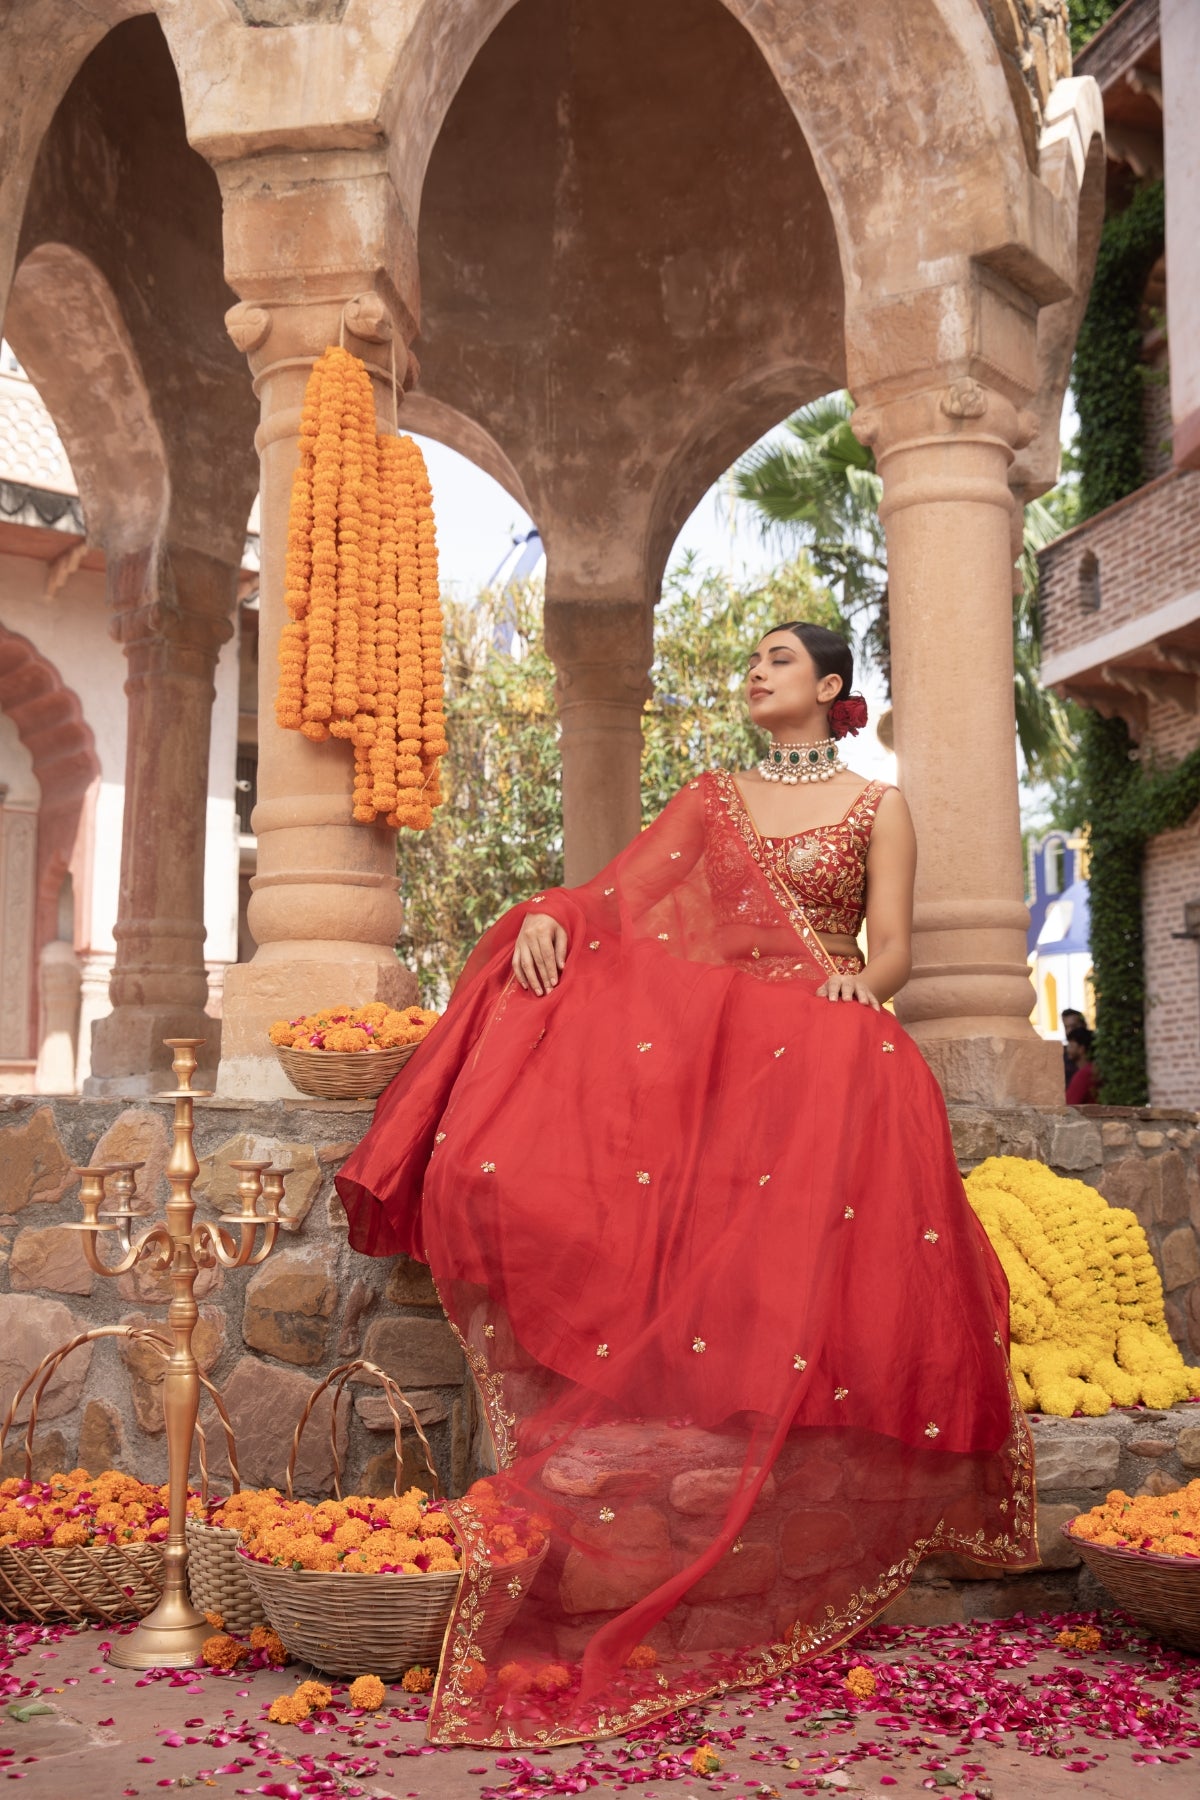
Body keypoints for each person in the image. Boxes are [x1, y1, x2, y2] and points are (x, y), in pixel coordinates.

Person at [336, 622, 1034, 1748]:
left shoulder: (877, 805)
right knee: (576, 993)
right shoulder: (713, 797)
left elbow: (892, 946)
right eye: (750, 660)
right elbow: (621, 901)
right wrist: (554, 919)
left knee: (867, 1056)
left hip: (819, 1014)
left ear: (832, 686)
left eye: (778, 661)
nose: (754, 673)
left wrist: (858, 991)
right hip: (725, 1033)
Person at [1065, 1025, 1100, 1105]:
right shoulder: (1094, 1069)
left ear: (1081, 1049)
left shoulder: (1084, 1074)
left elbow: (1069, 1106)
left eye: (1071, 1045)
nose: (1067, 1049)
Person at [1061, 1008, 1086, 1091]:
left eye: (1073, 1027)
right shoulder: (1060, 1055)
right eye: (1066, 1027)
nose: (1070, 1031)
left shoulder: (1095, 1053)